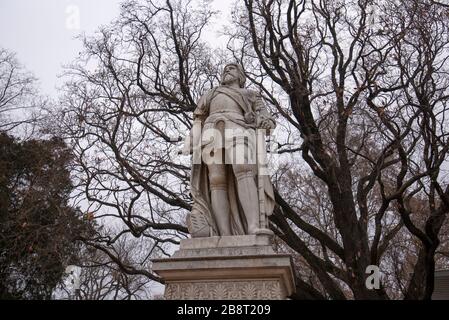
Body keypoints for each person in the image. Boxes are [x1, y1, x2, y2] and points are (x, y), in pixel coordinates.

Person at [185, 63, 276, 237]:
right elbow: (199, 119)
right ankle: (224, 233)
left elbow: (267, 119)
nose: (227, 70)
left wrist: (265, 122)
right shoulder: (211, 93)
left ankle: (253, 226)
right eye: (225, 69)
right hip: (211, 131)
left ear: (241, 76)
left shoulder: (251, 95)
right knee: (216, 180)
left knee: (243, 169)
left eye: (232, 68)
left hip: (238, 128)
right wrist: (192, 138)